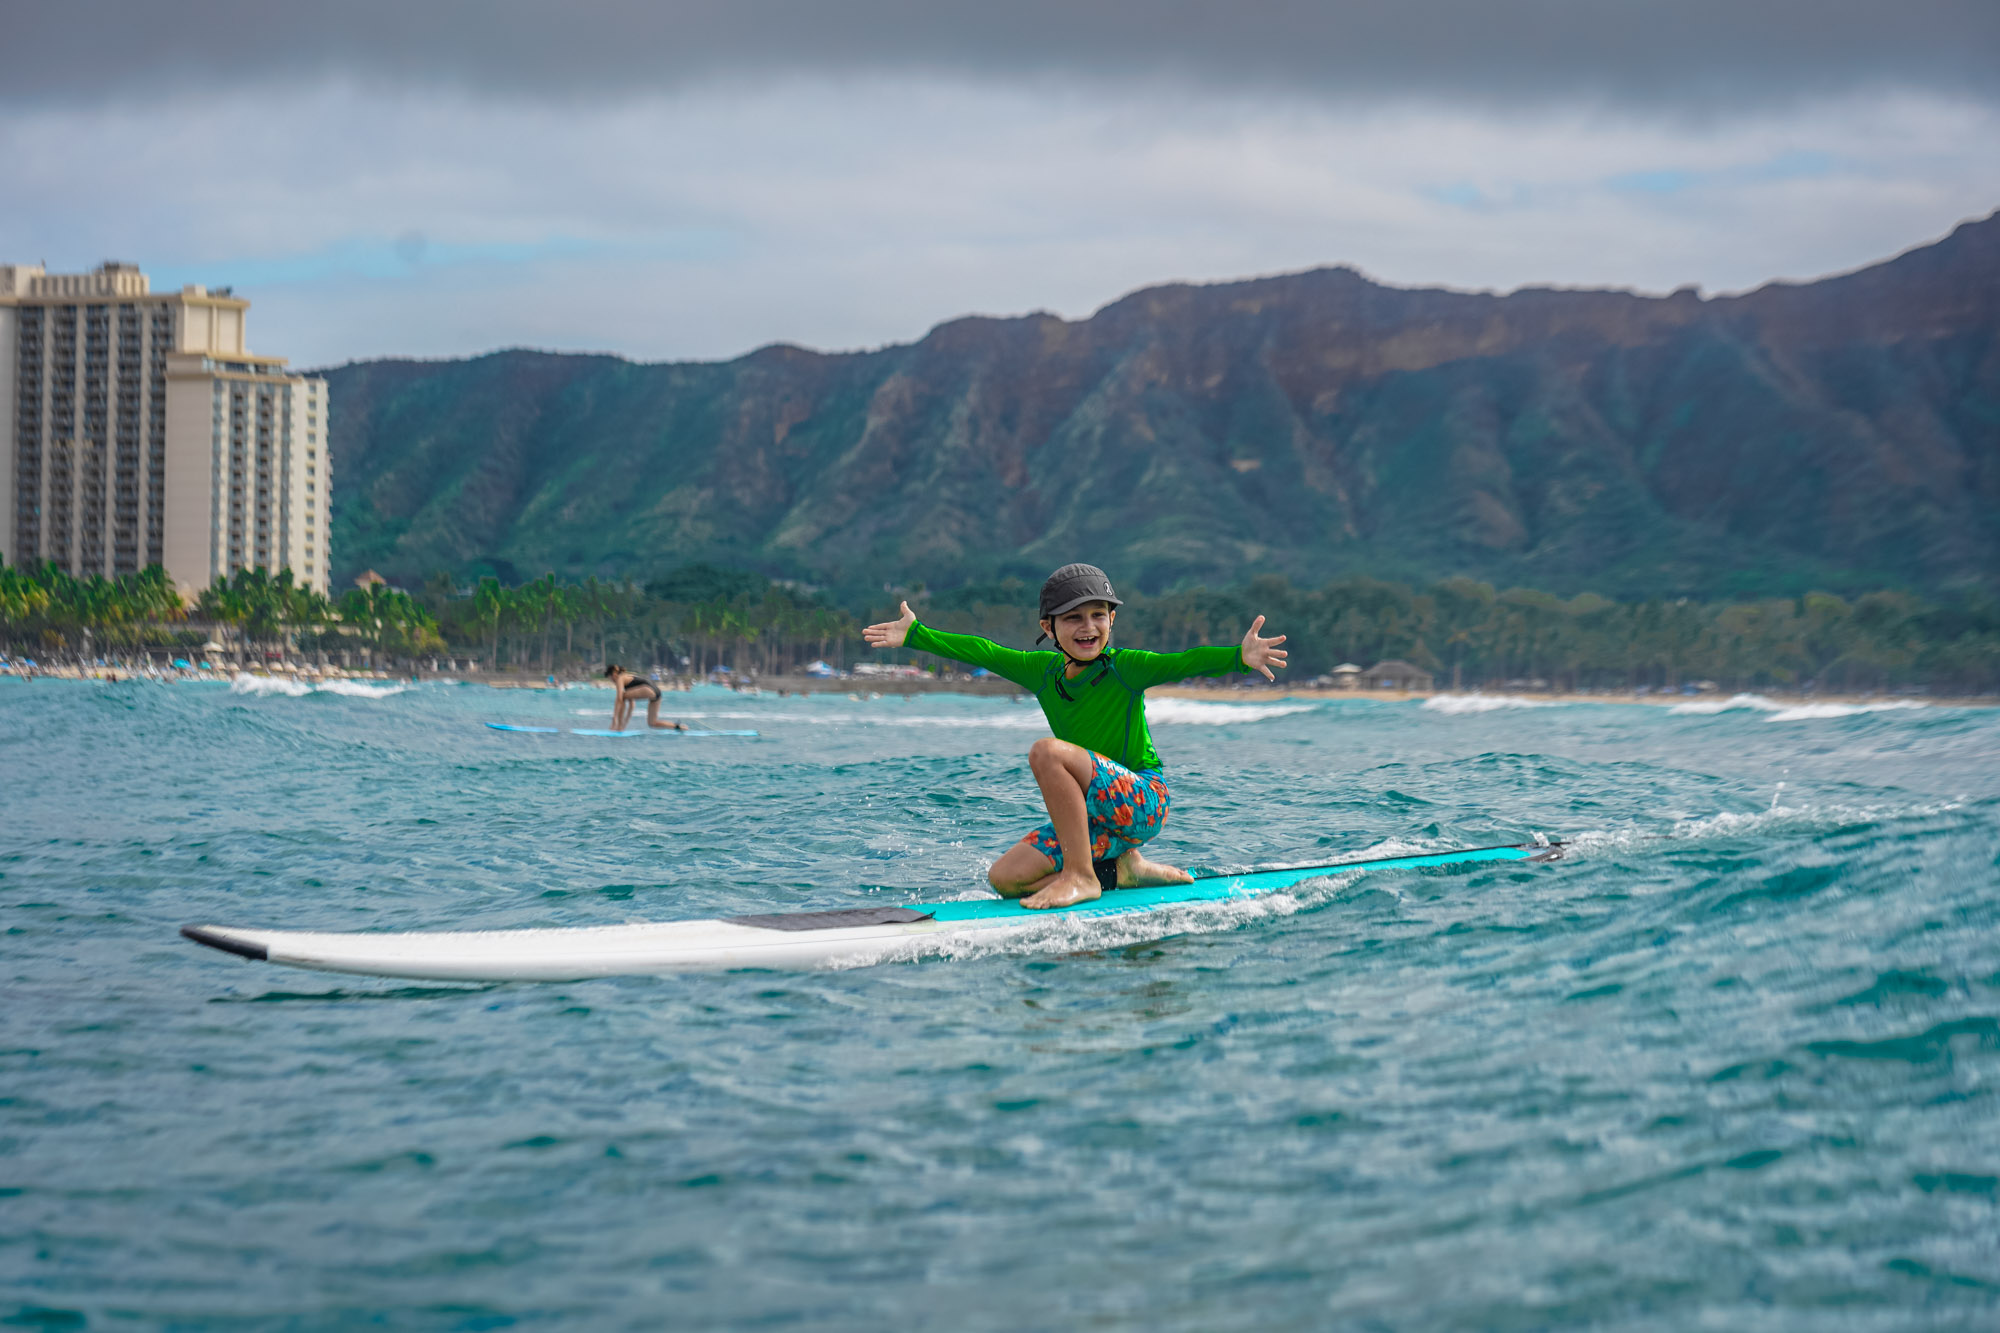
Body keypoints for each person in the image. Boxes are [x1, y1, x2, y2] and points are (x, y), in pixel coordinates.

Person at [863, 563, 1287, 910]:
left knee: (1047, 753)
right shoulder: (1042, 673)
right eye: (1072, 618)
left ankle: (1082, 877)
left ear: (1112, 619)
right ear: (1048, 628)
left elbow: (1183, 662)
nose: (1087, 628)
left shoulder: (1126, 668)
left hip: (1145, 800)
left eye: (1098, 615)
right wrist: (917, 635)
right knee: (1005, 879)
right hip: (1100, 817)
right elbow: (982, 651)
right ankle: (1122, 870)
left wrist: (1239, 656)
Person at [603, 663, 687, 731]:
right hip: (656, 693)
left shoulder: (620, 678)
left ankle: (617, 727)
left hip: (648, 689)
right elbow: (632, 706)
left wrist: (615, 721)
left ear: (614, 674)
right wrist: (624, 724)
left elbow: (619, 699)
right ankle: (677, 727)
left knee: (623, 697)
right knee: (652, 723)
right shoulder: (628, 682)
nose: (612, 681)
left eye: (610, 679)